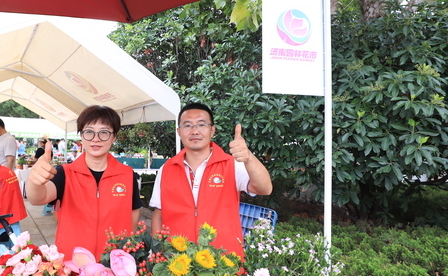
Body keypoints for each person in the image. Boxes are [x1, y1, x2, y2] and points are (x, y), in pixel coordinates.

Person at [149, 102, 272, 256]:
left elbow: (265, 188)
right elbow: (158, 215)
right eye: (187, 125)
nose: (195, 131)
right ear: (179, 131)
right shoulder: (166, 169)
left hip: (223, 262)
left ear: (212, 130)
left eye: (201, 124)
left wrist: (248, 158)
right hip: (177, 263)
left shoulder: (232, 165)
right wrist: (157, 253)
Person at [26, 105, 142, 259]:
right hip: (73, 265)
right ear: (81, 135)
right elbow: (38, 198)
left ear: (114, 137)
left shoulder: (127, 174)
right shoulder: (65, 173)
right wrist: (34, 181)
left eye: (104, 132)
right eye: (89, 132)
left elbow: (133, 213)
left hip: (113, 265)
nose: (96, 138)